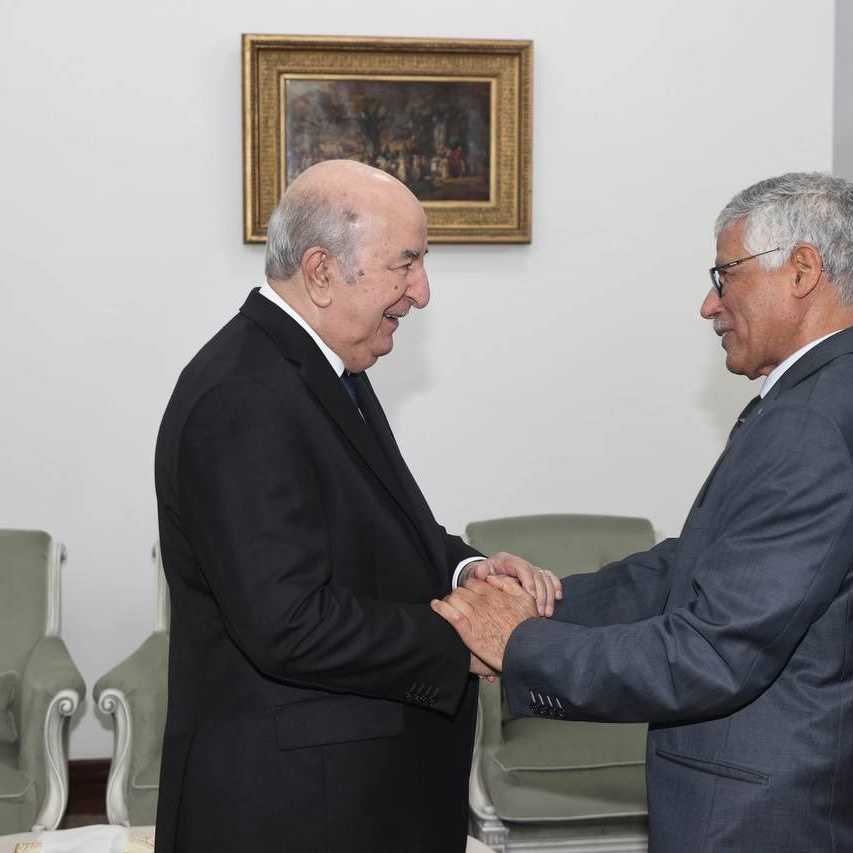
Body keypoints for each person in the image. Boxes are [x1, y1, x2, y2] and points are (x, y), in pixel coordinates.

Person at [433, 172, 853, 852]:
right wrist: (545, 602)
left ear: (802, 269)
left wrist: (519, 643)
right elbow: (695, 567)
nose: (709, 304)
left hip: (776, 826)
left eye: (726, 275)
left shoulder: (812, 424)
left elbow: (711, 654)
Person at [153, 159, 558, 853]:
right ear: (320, 271)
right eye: (406, 263)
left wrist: (468, 572)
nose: (422, 292)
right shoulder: (244, 397)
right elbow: (288, 624)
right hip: (295, 810)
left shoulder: (318, 367)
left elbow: (371, 530)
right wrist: (464, 636)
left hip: (347, 796)